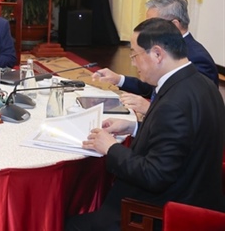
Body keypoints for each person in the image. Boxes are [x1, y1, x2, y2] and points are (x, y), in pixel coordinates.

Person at [65, 18, 225, 231]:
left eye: (135, 55)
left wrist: (110, 147)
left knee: (64, 222)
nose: (133, 63)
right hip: (198, 194)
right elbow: (184, 140)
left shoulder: (174, 102)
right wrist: (134, 127)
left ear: (157, 54)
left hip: (163, 212)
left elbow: (154, 175)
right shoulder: (202, 84)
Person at [92, 0, 219, 114]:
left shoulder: (197, 58)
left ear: (174, 25)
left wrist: (150, 109)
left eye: (153, 24)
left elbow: (193, 111)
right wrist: (118, 79)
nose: (147, 30)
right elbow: (154, 86)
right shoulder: (168, 49)